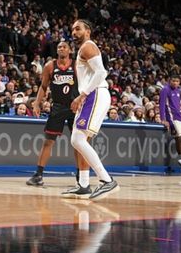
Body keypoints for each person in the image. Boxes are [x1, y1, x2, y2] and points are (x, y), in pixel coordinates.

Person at [26, 41, 91, 197]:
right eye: (59, 47)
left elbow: (86, 85)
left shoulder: (77, 65)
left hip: (75, 106)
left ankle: (80, 177)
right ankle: (38, 175)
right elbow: (43, 87)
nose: (61, 49)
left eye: (64, 47)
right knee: (48, 141)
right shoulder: (50, 66)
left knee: (79, 143)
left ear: (70, 50)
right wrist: (37, 103)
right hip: (58, 107)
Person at [68, 20, 118, 200]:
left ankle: (106, 180)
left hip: (94, 94)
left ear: (87, 31)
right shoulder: (83, 49)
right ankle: (83, 184)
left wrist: (82, 95)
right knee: (77, 139)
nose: (74, 32)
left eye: (78, 29)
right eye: (72, 30)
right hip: (91, 94)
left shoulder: (88, 46)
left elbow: (101, 72)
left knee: (78, 139)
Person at [159, 74, 181, 171]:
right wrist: (163, 119)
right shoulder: (165, 89)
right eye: (173, 81)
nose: (175, 83)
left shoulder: (178, 90)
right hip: (172, 118)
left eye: (177, 81)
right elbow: (162, 104)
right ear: (169, 80)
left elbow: (178, 105)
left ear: (179, 82)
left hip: (180, 118)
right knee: (178, 137)